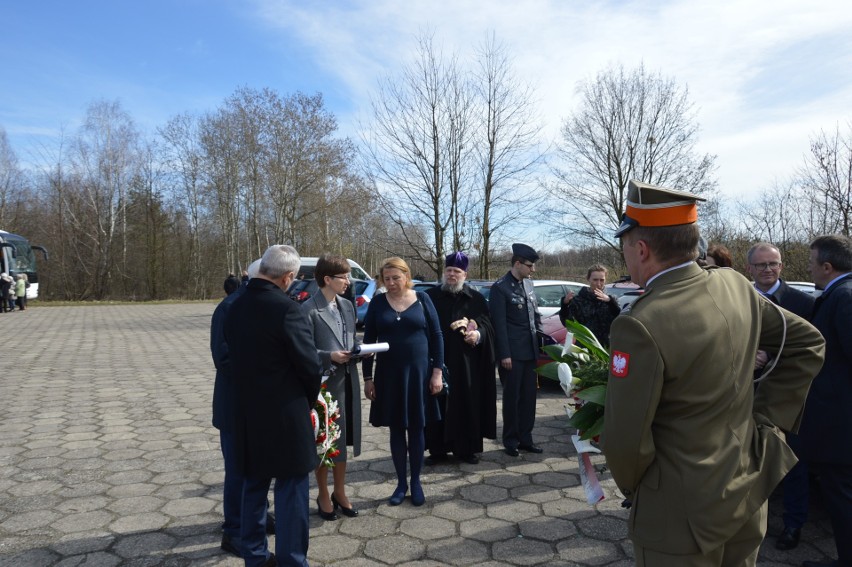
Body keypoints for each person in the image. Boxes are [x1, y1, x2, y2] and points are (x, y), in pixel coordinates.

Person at [604, 179, 824, 567]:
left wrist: (639, 488)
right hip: (745, 493)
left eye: (625, 247)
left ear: (641, 249)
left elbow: (625, 442)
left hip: (677, 515)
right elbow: (806, 343)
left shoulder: (639, 323)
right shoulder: (735, 284)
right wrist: (767, 421)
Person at [225, 245, 323, 567]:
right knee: (292, 488)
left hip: (245, 413)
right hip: (285, 414)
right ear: (289, 277)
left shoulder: (234, 306)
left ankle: (254, 556)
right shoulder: (287, 309)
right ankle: (291, 560)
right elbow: (309, 366)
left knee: (253, 484)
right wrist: (309, 403)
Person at [745, 242, 815, 551]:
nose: (767, 269)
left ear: (781, 266)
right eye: (761, 265)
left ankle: (793, 523)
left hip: (787, 397)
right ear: (749, 269)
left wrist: (770, 353)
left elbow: (811, 349)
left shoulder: (802, 302)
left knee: (792, 460)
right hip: (746, 393)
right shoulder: (739, 300)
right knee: (749, 458)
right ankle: (749, 520)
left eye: (773, 264)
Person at [362, 257, 444, 507]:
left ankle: (417, 482)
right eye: (386, 279)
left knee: (417, 427)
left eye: (396, 278)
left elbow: (437, 336)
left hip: (420, 374)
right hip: (388, 375)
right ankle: (401, 483)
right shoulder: (377, 302)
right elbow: (367, 342)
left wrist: (438, 372)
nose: (391, 283)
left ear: (406, 276)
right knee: (397, 428)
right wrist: (367, 377)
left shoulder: (423, 299)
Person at [799, 234, 852, 567]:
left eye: (811, 261)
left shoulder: (844, 298)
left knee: (843, 500)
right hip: (838, 426)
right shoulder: (839, 295)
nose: (809, 267)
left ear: (827, 266)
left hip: (841, 429)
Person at [210, 268, 271, 557]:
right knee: (237, 470)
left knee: (259, 467)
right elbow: (224, 358)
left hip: (259, 406)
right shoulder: (231, 306)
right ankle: (233, 530)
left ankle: (257, 517)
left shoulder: (259, 302)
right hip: (236, 405)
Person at [302, 254, 362, 521]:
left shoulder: (348, 306)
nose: (348, 281)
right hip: (324, 385)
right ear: (327, 279)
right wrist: (329, 356)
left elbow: (349, 340)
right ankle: (323, 493)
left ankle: (340, 491)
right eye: (343, 277)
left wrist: (360, 352)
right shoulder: (308, 310)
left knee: (344, 438)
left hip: (349, 380)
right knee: (325, 441)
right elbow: (302, 352)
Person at [424, 251, 496, 465]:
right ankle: (437, 451)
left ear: (465, 274)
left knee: (467, 403)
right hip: (438, 361)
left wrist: (478, 334)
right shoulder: (430, 296)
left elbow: (488, 326)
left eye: (456, 271)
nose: (452, 275)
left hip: (467, 364)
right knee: (437, 403)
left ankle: (466, 450)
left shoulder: (476, 298)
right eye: (448, 271)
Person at [490, 243, 545, 457]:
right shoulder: (500, 287)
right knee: (512, 399)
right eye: (530, 266)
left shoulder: (529, 285)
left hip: (530, 352)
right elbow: (499, 325)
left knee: (529, 398)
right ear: (517, 263)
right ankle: (511, 441)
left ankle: (526, 438)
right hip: (511, 355)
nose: (533, 270)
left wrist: (543, 341)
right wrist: (504, 354)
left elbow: (535, 316)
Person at [558, 264, 620, 347]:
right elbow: (567, 323)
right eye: (595, 280)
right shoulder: (579, 300)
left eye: (602, 280)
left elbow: (620, 321)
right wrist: (565, 305)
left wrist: (610, 302)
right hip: (586, 347)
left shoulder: (612, 300)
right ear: (588, 279)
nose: (598, 283)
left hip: (607, 348)